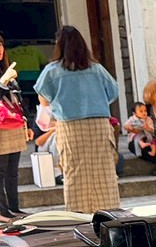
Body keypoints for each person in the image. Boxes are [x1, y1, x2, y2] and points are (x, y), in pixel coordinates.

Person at [33, 26, 120, 214]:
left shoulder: (53, 70)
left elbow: (43, 97)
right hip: (99, 124)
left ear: (59, 45)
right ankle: (108, 216)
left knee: (74, 173)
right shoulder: (97, 69)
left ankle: (78, 216)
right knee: (104, 172)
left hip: (70, 127)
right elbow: (113, 92)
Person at [0, 38, 29, 219]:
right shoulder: (5, 74)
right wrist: (3, 82)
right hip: (1, 125)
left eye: (0, 45)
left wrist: (26, 121)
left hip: (14, 123)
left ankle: (14, 207)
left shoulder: (6, 68)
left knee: (12, 171)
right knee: (1, 171)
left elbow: (17, 98)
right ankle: (2, 211)